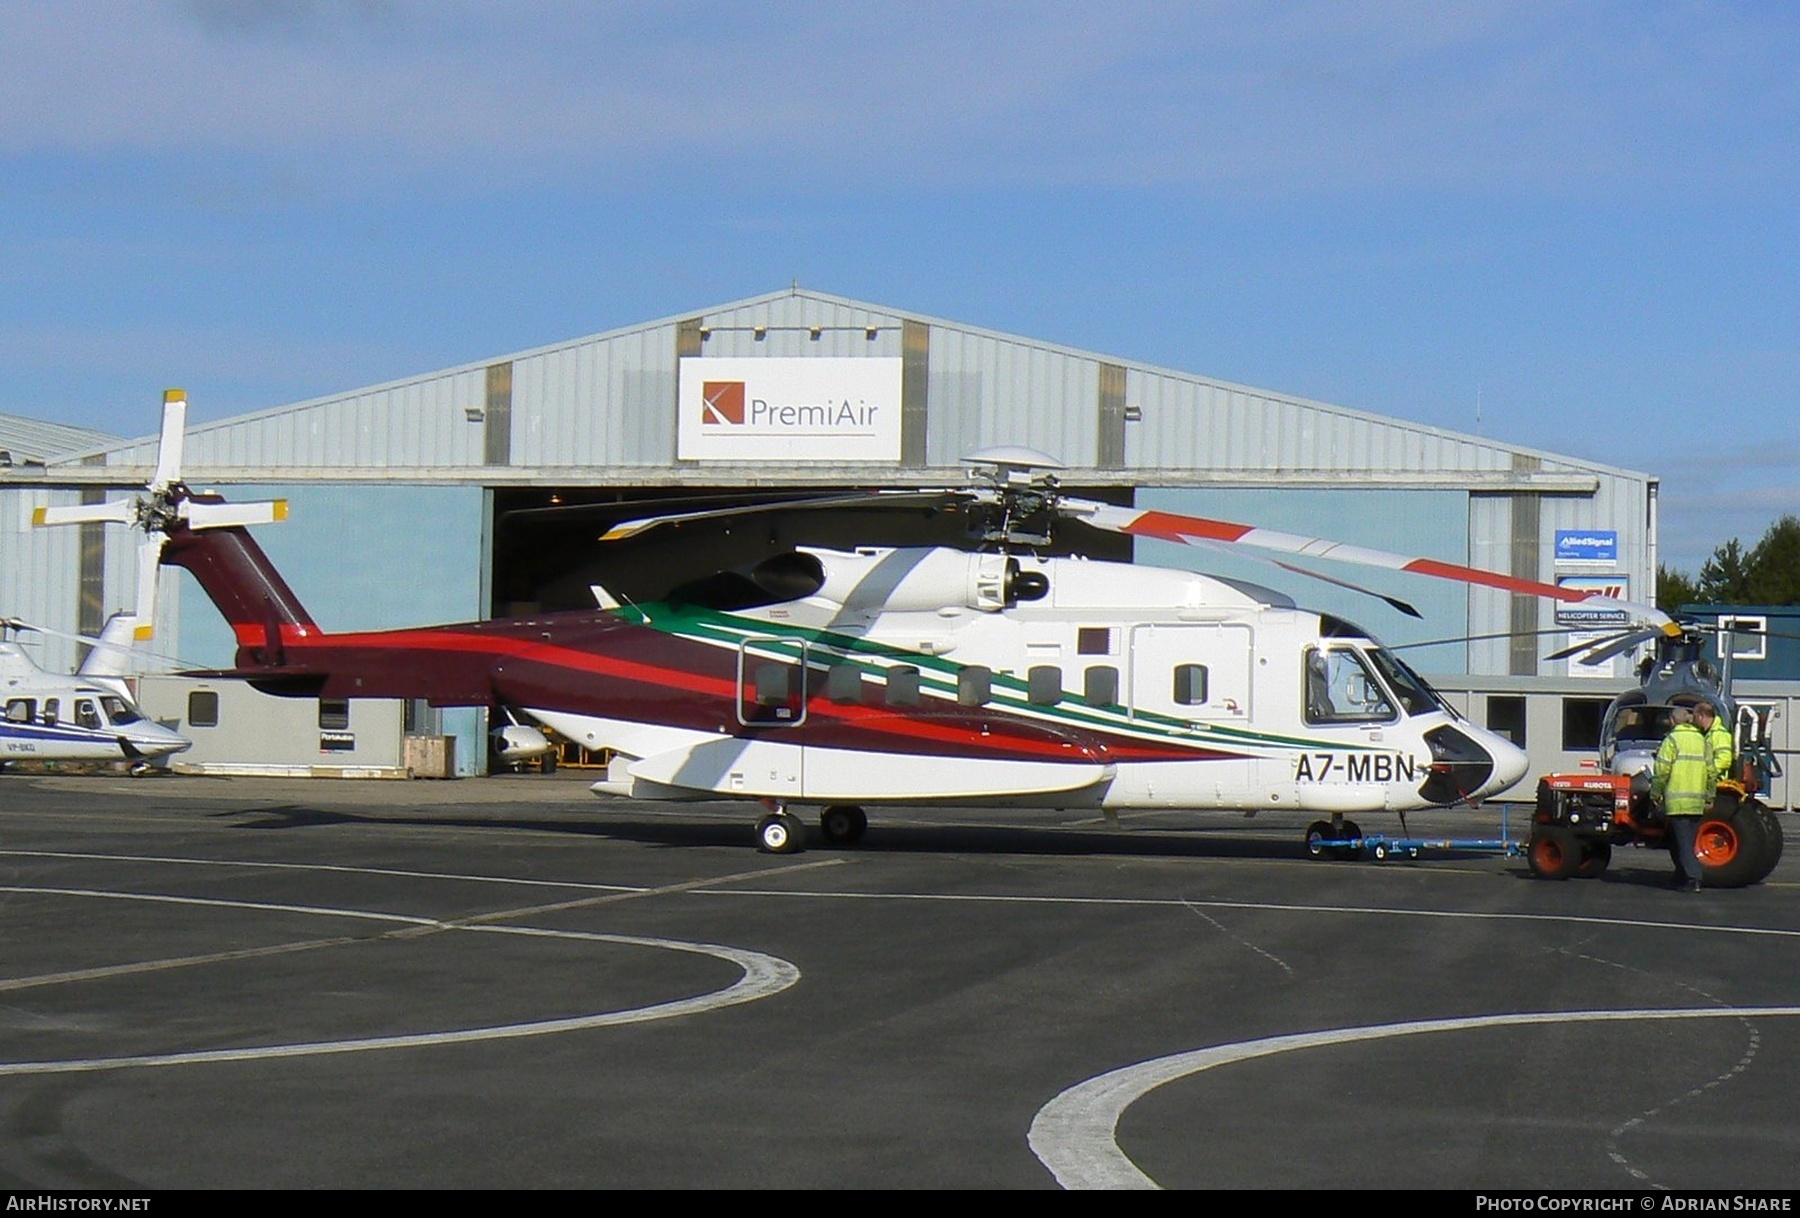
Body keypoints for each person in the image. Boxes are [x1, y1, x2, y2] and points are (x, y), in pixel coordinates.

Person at [1651, 706, 1710, 892]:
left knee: (1683, 842)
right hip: (1697, 801)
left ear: (1672, 720)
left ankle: (1693, 878)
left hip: (1678, 801)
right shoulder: (1702, 740)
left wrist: (1655, 793)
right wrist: (1710, 795)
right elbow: (1711, 771)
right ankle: (1681, 876)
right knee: (1682, 841)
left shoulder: (1672, 740)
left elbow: (1661, 770)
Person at [1694, 698, 1734, 791]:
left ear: (1700, 716)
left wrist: (1706, 771)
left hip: (1718, 785)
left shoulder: (1720, 734)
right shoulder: (1710, 734)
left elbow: (1724, 760)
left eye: (1695, 717)